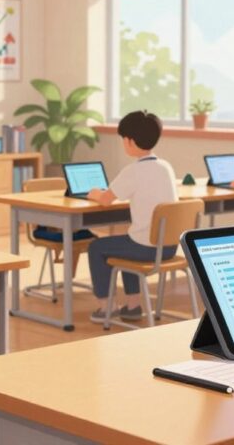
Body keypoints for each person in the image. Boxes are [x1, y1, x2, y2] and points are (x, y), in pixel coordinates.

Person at [86, 110, 178, 323]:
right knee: (128, 241)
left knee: (97, 247)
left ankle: (105, 307)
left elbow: (106, 199)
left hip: (146, 248)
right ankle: (133, 306)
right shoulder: (166, 167)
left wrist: (93, 193)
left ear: (129, 141)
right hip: (169, 246)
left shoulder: (133, 170)